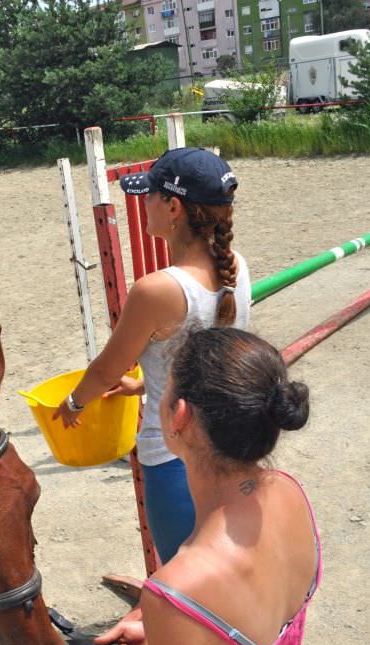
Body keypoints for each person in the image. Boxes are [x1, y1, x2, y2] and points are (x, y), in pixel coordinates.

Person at [53, 147, 249, 564]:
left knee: (182, 580)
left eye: (150, 195)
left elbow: (107, 367)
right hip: (232, 445)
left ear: (173, 206)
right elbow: (209, 357)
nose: (144, 204)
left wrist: (73, 403)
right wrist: (146, 383)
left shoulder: (157, 289)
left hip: (175, 458)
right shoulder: (236, 266)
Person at [94, 327, 318, 645]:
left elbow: (200, 607)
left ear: (179, 415)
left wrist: (172, 623)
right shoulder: (290, 491)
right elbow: (249, 619)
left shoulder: (177, 591)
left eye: (162, 390)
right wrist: (173, 637)